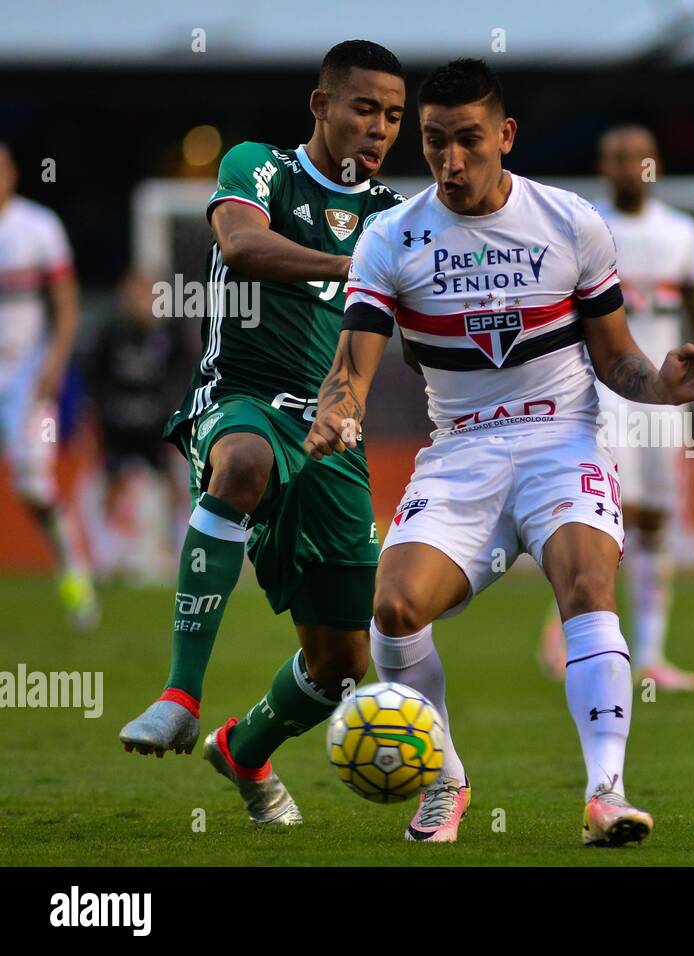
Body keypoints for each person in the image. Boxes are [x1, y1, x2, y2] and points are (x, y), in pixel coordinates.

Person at [304, 59, 694, 846]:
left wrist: (668, 385)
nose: (450, 161)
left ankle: (606, 793)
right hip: (459, 453)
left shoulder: (570, 223)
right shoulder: (390, 239)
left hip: (561, 443)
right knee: (393, 612)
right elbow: (350, 369)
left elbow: (617, 359)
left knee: (586, 583)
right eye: (434, 143)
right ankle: (447, 782)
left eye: (468, 140)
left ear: (505, 135)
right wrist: (339, 414)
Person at [118, 41, 407, 829]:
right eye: (363, 108)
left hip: (330, 428)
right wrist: (356, 266)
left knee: (344, 664)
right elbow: (241, 246)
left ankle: (243, 747)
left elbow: (376, 337)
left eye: (393, 116)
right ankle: (180, 695)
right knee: (240, 461)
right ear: (321, 105)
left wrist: (346, 405)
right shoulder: (260, 166)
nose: (379, 128)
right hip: (241, 398)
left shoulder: (393, 216)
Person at [537, 124, 694, 691]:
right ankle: (566, 631)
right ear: (603, 167)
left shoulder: (682, 233)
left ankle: (650, 654)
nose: (628, 167)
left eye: (638, 157)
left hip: (664, 396)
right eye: (616, 158)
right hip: (603, 390)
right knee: (603, 514)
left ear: (657, 164)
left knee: (656, 519)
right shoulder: (583, 228)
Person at [0, 141, 98, 629]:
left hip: (26, 378)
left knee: (34, 488)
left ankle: (75, 577)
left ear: (13, 172)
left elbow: (65, 302)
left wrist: (56, 363)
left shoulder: (38, 227)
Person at [87, 270, 190, 579]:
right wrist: (101, 411)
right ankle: (104, 556)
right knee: (108, 487)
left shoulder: (171, 334)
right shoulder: (111, 333)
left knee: (172, 487)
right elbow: (94, 375)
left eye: (146, 294)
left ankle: (175, 553)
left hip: (156, 427)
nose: (140, 301)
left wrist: (175, 415)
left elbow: (185, 375)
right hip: (118, 425)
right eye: (135, 293)